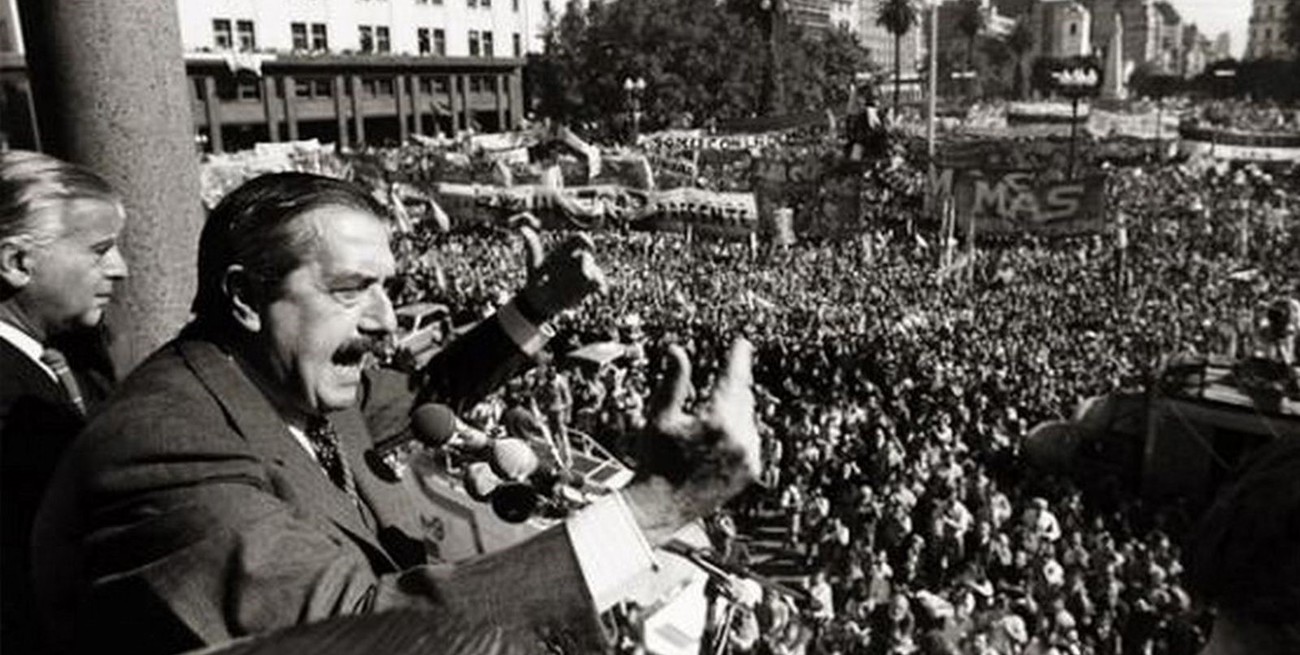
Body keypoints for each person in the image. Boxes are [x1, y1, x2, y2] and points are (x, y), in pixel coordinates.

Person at [32, 172, 760, 654]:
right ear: (246, 296)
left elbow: (426, 397)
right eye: (352, 289)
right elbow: (362, 634)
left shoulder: (292, 382)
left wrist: (535, 307)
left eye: (387, 287)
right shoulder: (162, 446)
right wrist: (656, 508)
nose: (385, 321)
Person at [0, 150, 129, 654]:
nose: (120, 269)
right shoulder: (12, 402)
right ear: (16, 262)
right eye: (100, 250)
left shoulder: (70, 359)